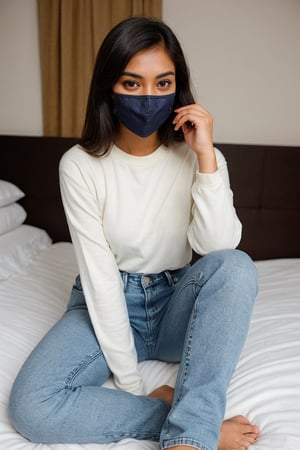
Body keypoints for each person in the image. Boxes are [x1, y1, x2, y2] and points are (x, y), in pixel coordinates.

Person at [9, 17, 260, 450]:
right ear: (109, 86)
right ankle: (195, 424)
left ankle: (188, 440)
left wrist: (205, 156)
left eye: (163, 84)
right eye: (132, 83)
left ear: (177, 88)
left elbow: (217, 247)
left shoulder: (199, 157)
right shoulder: (79, 165)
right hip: (106, 301)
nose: (148, 97)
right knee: (31, 407)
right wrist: (131, 385)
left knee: (236, 266)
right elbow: (100, 276)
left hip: (174, 303)